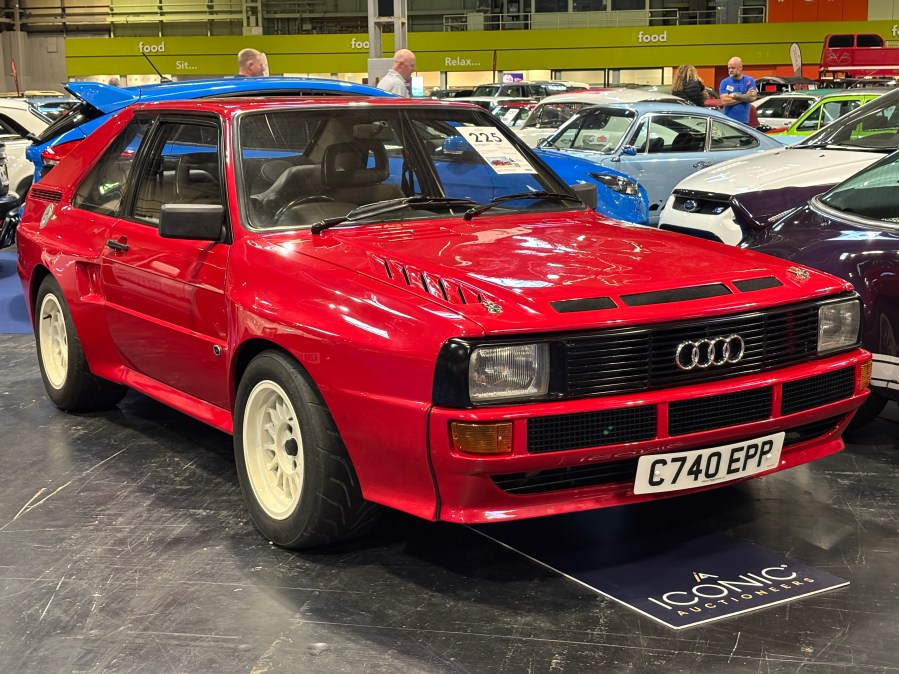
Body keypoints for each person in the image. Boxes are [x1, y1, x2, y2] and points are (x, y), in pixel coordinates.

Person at [719, 56, 757, 124]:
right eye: (729, 68)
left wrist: (734, 96)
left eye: (733, 68)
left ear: (740, 68)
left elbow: (753, 97)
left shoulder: (749, 80)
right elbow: (725, 101)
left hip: (743, 122)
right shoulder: (724, 82)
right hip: (727, 121)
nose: (730, 70)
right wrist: (745, 96)